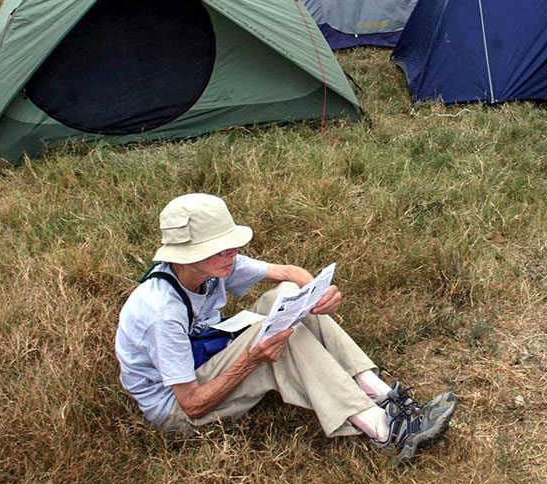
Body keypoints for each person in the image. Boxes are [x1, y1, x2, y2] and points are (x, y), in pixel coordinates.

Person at [115, 193, 458, 463]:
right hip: (177, 411)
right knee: (274, 335)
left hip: (205, 357)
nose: (232, 254)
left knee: (288, 296)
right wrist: (252, 360)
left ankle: (381, 393)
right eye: (220, 248)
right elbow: (191, 405)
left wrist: (316, 295)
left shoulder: (212, 265)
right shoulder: (162, 311)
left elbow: (288, 274)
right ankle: (385, 430)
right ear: (187, 254)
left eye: (231, 244)